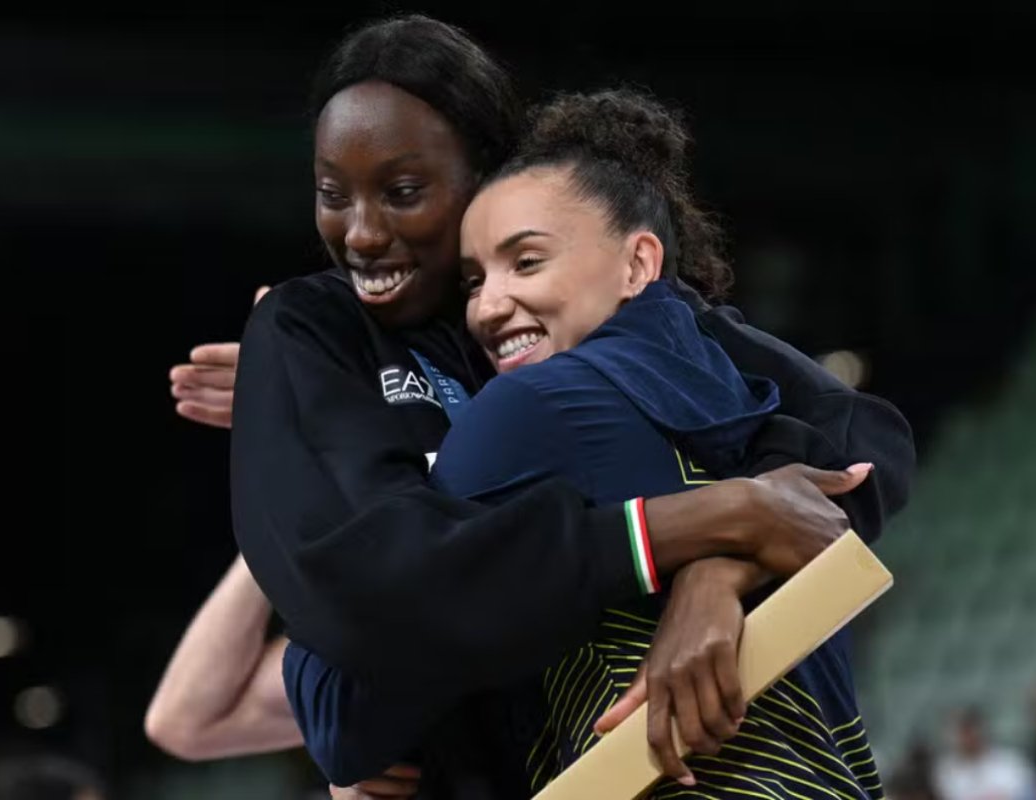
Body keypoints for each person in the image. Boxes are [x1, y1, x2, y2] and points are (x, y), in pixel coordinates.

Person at [153, 13, 915, 797]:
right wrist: (705, 522)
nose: (362, 233)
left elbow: (860, 442)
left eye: (404, 191)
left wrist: (717, 576)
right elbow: (358, 628)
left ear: (483, 175)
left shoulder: (597, 325)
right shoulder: (316, 331)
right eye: (331, 194)